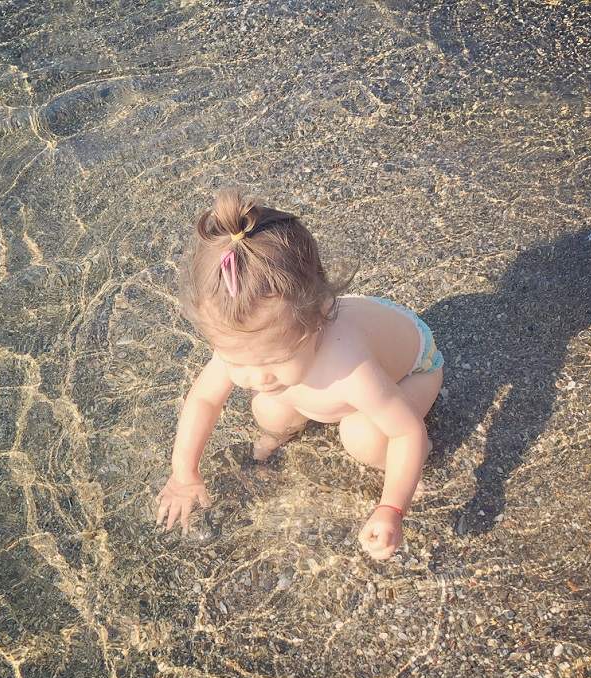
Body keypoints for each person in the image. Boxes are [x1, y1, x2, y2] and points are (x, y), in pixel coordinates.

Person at [155, 188, 444, 561]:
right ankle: (285, 429)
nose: (255, 377)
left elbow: (406, 430)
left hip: (413, 368)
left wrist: (392, 507)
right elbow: (205, 399)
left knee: (363, 437)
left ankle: (410, 468)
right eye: (237, 361)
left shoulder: (351, 368)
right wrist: (183, 473)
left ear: (320, 316)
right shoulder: (248, 341)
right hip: (335, 335)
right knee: (269, 409)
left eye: (273, 360)